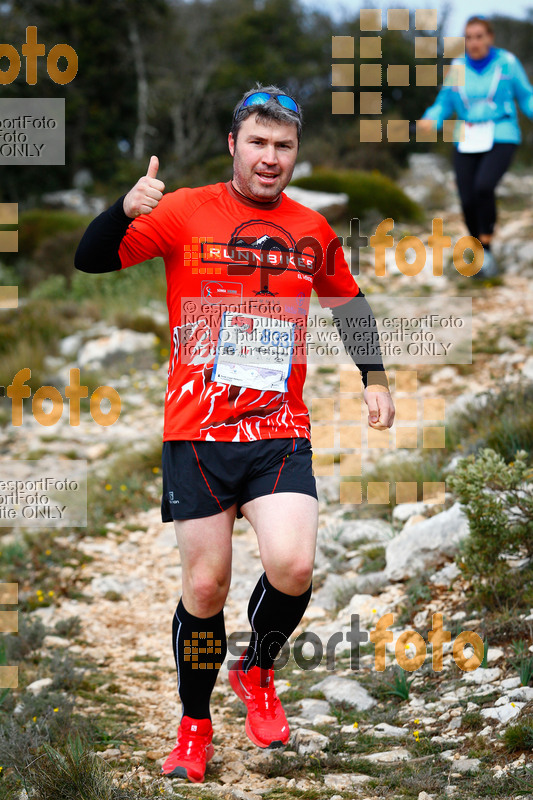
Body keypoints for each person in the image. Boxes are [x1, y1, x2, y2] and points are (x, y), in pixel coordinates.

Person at [75, 85, 395, 784]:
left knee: (293, 566)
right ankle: (193, 726)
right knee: (206, 584)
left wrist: (373, 375)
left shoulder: (311, 228)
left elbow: (348, 299)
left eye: (283, 146)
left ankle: (256, 670)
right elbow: (91, 259)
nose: (269, 158)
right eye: (257, 142)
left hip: (278, 430)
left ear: (294, 152)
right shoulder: (185, 209)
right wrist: (121, 211)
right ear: (233, 145)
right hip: (195, 432)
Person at [419, 15, 533, 277]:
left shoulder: (507, 63)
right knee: (467, 196)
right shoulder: (457, 68)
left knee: (484, 187)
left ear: (490, 38)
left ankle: (488, 247)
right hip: (467, 136)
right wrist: (432, 118)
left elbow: (526, 97)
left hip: (501, 134)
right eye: (468, 37)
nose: (474, 42)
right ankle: (480, 248)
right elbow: (444, 103)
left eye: (479, 36)